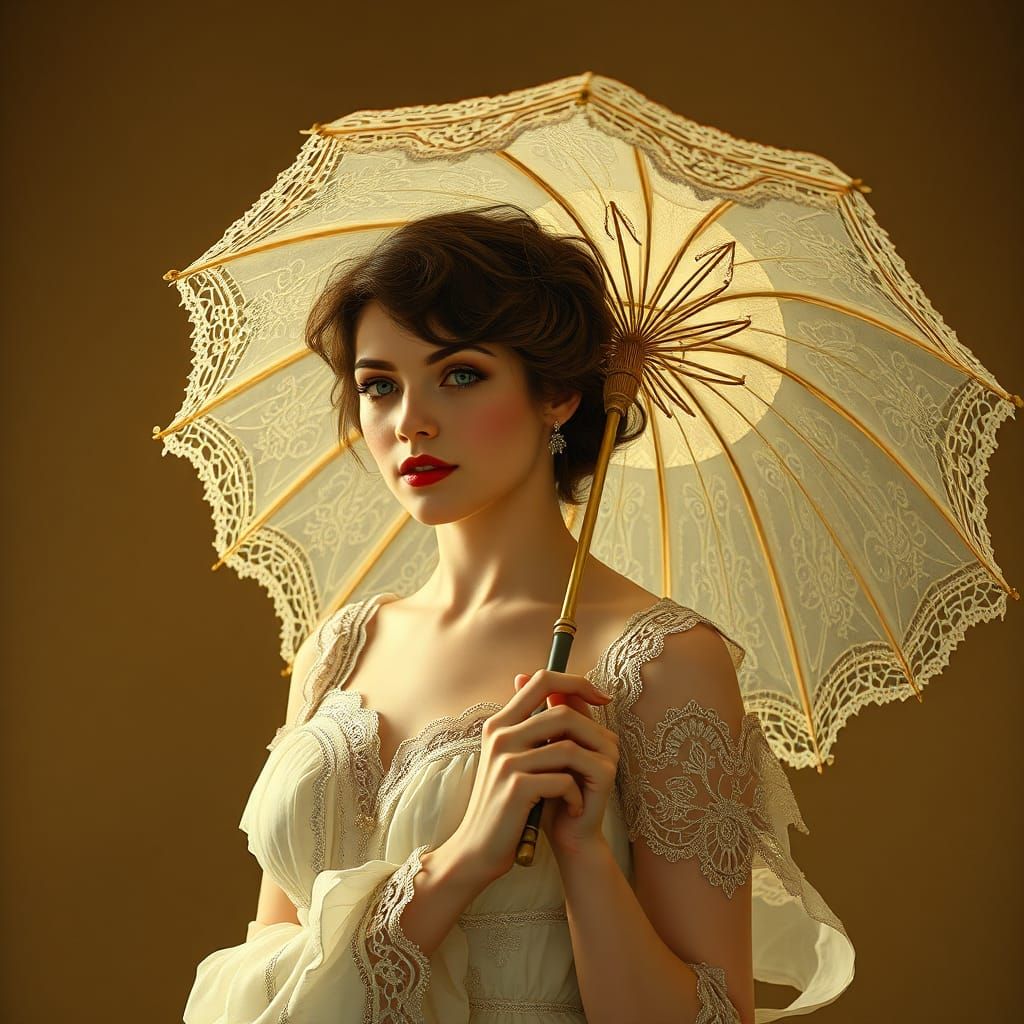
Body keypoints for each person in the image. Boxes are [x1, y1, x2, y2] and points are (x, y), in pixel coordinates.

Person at [183, 205, 855, 1023]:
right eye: (378, 385)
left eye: (460, 374)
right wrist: (463, 860)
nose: (410, 422)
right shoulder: (340, 648)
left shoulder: (663, 662)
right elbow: (263, 982)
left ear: (559, 395)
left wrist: (581, 853)